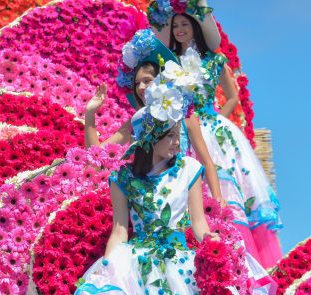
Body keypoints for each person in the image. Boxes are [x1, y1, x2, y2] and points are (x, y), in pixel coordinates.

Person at [75, 71, 275, 294]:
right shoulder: (123, 177)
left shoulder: (188, 169)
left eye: (177, 134)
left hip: (181, 266)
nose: (176, 142)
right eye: (170, 135)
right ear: (150, 139)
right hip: (135, 266)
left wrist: (210, 239)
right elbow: (119, 232)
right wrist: (108, 268)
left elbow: (198, 224)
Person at [154, 2, 283, 267]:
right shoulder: (167, 63)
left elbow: (234, 95)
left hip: (213, 131)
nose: (179, 29)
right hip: (182, 131)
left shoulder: (214, 60)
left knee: (227, 191)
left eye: (184, 24)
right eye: (175, 25)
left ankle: (242, 261)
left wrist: (218, 118)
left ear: (195, 27)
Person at [85, 29, 224, 204]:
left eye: (147, 81)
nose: (141, 87)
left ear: (161, 81)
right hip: (147, 203)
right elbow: (95, 157)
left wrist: (218, 200)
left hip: (183, 198)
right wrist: (90, 114)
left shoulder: (185, 117)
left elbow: (207, 161)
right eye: (136, 83)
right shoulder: (136, 122)